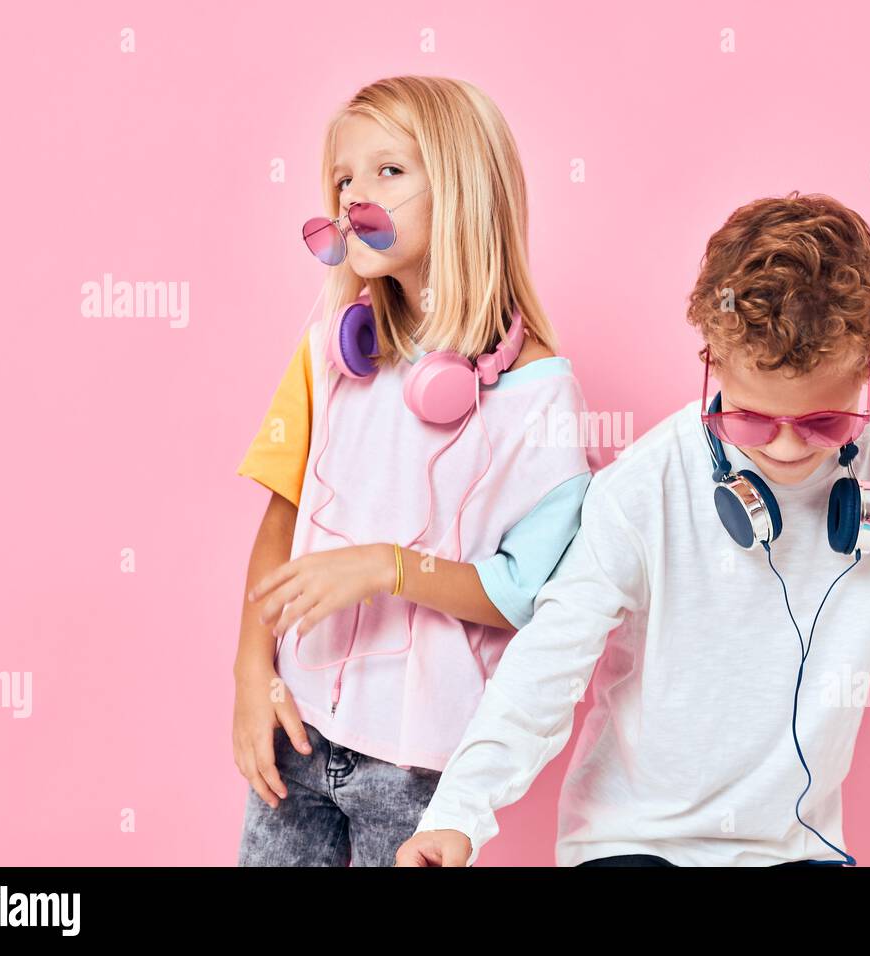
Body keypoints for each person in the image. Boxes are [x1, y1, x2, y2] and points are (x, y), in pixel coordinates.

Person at [396, 192, 870, 867]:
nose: (790, 450)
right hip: (631, 844)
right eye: (754, 421)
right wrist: (457, 815)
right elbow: (547, 665)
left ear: (869, 372)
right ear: (712, 364)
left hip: (794, 850)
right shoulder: (643, 490)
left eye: (826, 422)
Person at [231, 76, 591, 866]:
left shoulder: (541, 397)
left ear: (465, 192)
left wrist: (386, 568)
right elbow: (282, 514)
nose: (354, 191)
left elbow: (520, 595)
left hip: (418, 766)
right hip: (297, 728)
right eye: (343, 177)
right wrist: (250, 676)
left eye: (388, 171)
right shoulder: (331, 344)